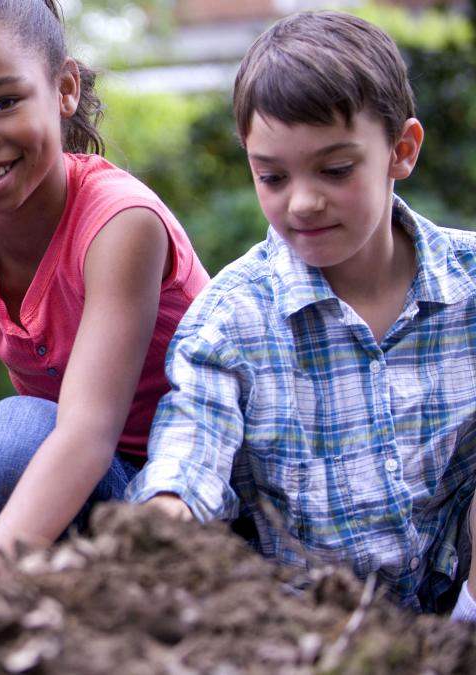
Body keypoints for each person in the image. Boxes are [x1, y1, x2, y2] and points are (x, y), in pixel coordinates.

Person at [127, 11, 476, 617]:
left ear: (402, 150)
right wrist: (166, 512)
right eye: (273, 176)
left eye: (336, 170)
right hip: (302, 625)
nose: (304, 202)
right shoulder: (230, 320)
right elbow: (193, 445)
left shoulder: (470, 282)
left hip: (458, 600)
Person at [0, 0, 209, 560]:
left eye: (3, 102)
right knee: (4, 442)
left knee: (17, 435)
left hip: (195, 493)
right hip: (79, 487)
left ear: (64, 89)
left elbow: (87, 431)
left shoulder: (120, 223)